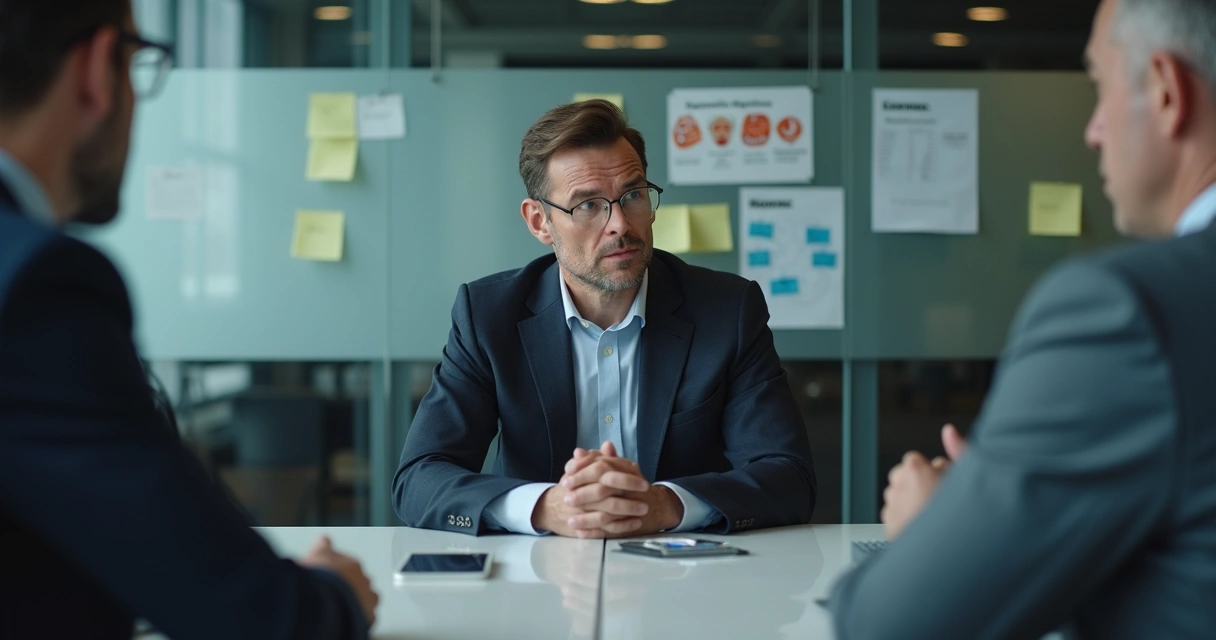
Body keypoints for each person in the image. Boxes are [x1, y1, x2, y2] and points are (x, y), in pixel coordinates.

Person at [829, 0, 1216, 637]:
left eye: (1100, 86)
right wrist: (1018, 482)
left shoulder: (1125, 314)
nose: (1093, 130)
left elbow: (890, 625)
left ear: (1169, 92)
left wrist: (937, 532)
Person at [0, 2, 378, 638]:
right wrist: (333, 592)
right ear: (98, 68)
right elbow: (255, 617)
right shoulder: (35, 285)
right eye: (138, 66)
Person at [393, 99, 816, 538]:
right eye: (588, 205)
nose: (619, 224)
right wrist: (545, 508)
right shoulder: (487, 316)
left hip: (687, 576)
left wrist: (665, 504)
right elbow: (419, 478)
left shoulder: (727, 310)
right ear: (540, 221)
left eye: (632, 195)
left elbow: (789, 476)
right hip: (535, 578)